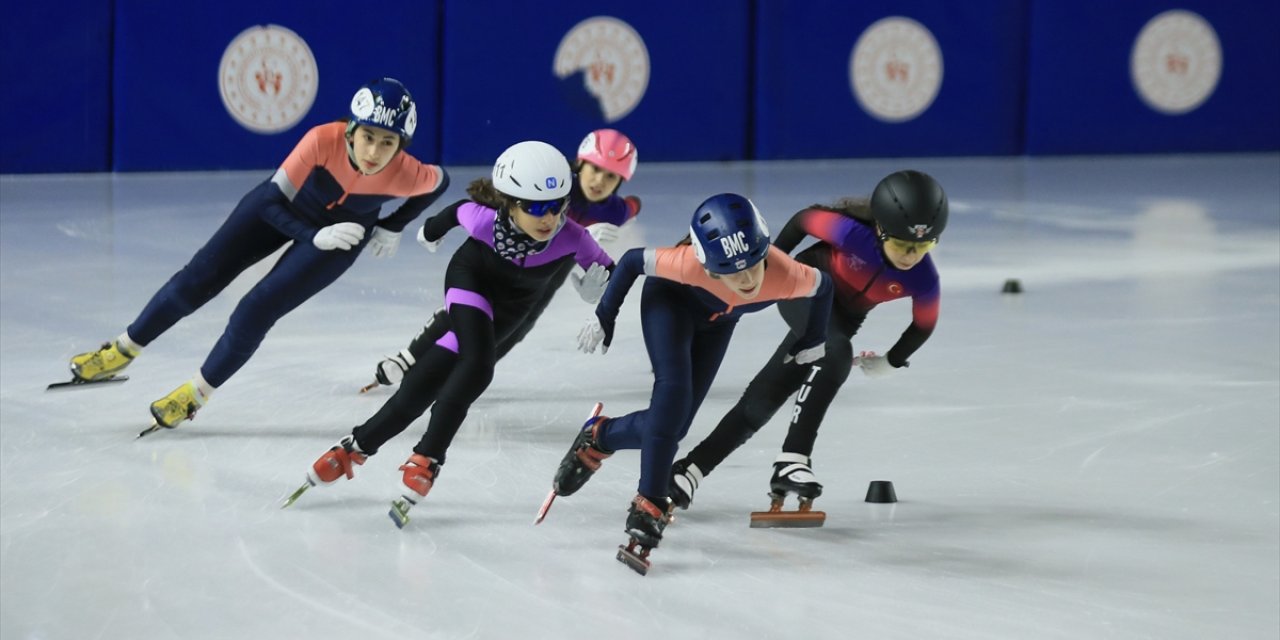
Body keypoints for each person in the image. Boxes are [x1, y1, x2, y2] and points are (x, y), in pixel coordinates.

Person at [65, 78, 448, 431]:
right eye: (368, 136)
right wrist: (314, 235)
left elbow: (440, 180)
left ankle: (195, 394)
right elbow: (270, 203)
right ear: (350, 129)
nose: (374, 152)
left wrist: (394, 224)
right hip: (284, 211)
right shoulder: (321, 140)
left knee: (256, 309)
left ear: (401, 146)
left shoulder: (408, 172)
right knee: (198, 278)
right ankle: (123, 349)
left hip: (345, 233)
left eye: (388, 143)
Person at [287, 141, 615, 528]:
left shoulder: (573, 237)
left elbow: (612, 274)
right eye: (536, 207)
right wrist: (429, 233)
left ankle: (355, 448)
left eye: (558, 205)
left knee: (424, 384)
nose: (550, 218)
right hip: (469, 279)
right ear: (509, 203)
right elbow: (452, 214)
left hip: (511, 308)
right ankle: (428, 457)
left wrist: (601, 307)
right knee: (478, 363)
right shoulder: (483, 221)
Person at [544, 193, 835, 564]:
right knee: (673, 395)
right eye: (730, 270)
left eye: (753, 265)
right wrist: (605, 314)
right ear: (708, 266)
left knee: (674, 427)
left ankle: (600, 436)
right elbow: (633, 262)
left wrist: (814, 339)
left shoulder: (786, 273)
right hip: (670, 304)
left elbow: (824, 287)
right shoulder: (685, 265)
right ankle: (648, 503)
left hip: (719, 324)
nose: (746, 280)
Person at [667, 170, 947, 512]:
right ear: (879, 229)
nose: (911, 256)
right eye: (903, 244)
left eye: (924, 245)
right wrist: (769, 268)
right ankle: (793, 459)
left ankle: (690, 470)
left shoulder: (924, 277)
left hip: (842, 320)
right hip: (806, 289)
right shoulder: (849, 232)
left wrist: (891, 360)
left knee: (768, 393)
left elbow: (924, 324)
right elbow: (803, 221)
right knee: (836, 352)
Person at [362, 128, 641, 391]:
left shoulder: (615, 212)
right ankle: (409, 357)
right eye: (595, 169)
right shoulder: (554, 179)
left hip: (553, 265)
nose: (599, 181)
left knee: (519, 327)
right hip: (509, 250)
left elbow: (631, 207)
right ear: (580, 163)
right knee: (472, 307)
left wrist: (590, 285)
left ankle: (464, 371)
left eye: (610, 177)